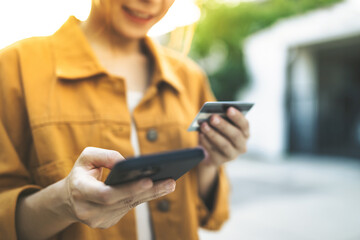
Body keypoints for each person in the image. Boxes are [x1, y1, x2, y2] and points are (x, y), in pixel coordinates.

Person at [0, 0, 250, 239]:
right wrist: (63, 203)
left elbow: (210, 217)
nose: (151, 1)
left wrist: (209, 162)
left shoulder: (190, 77)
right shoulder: (13, 68)